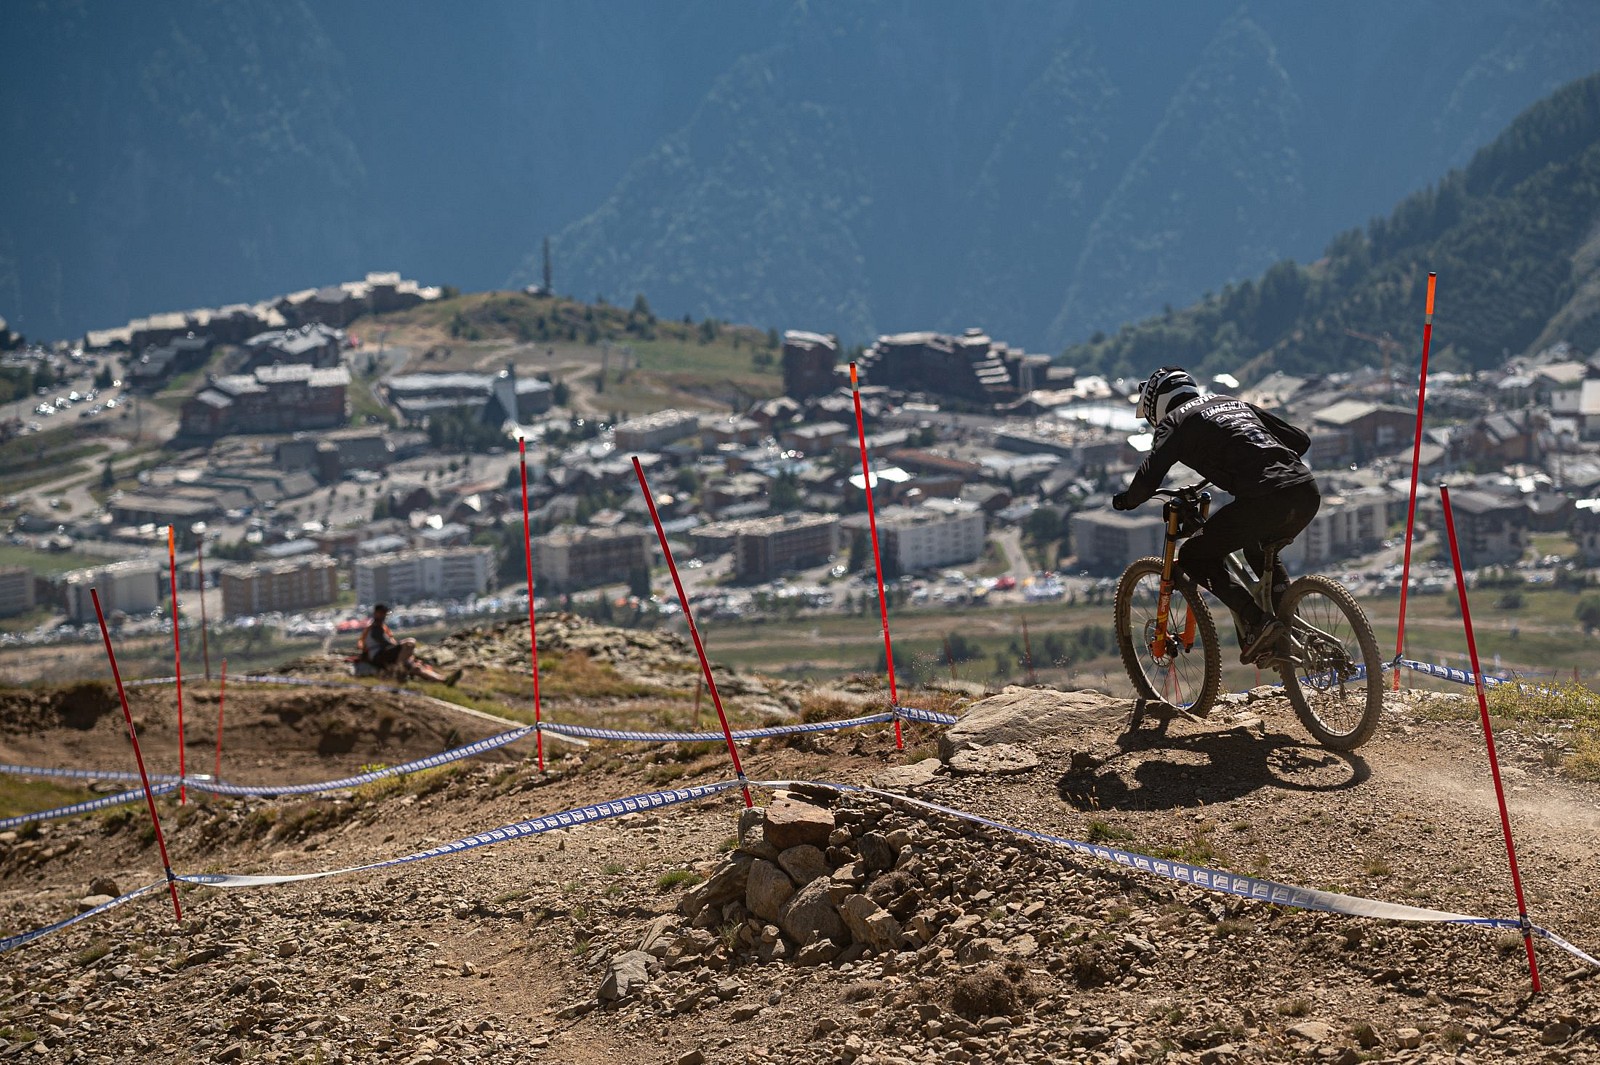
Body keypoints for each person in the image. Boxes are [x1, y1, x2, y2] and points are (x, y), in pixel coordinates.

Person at [1112, 366, 1321, 664]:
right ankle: (1294, 633)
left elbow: (1149, 478)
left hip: (1264, 499)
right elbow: (1300, 441)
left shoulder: (1175, 420)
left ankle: (1257, 622)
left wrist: (1126, 501)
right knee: (1259, 550)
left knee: (1193, 555)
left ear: (1156, 404)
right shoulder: (1230, 402)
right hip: (1305, 490)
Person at [358, 603, 462, 685]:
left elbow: (390, 646)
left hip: (386, 656)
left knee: (417, 668)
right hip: (378, 656)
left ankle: (443, 680)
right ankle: (398, 671)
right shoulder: (375, 628)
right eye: (382, 613)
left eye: (384, 613)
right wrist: (402, 647)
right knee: (410, 643)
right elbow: (385, 644)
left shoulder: (381, 627)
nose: (384, 616)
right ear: (376, 613)